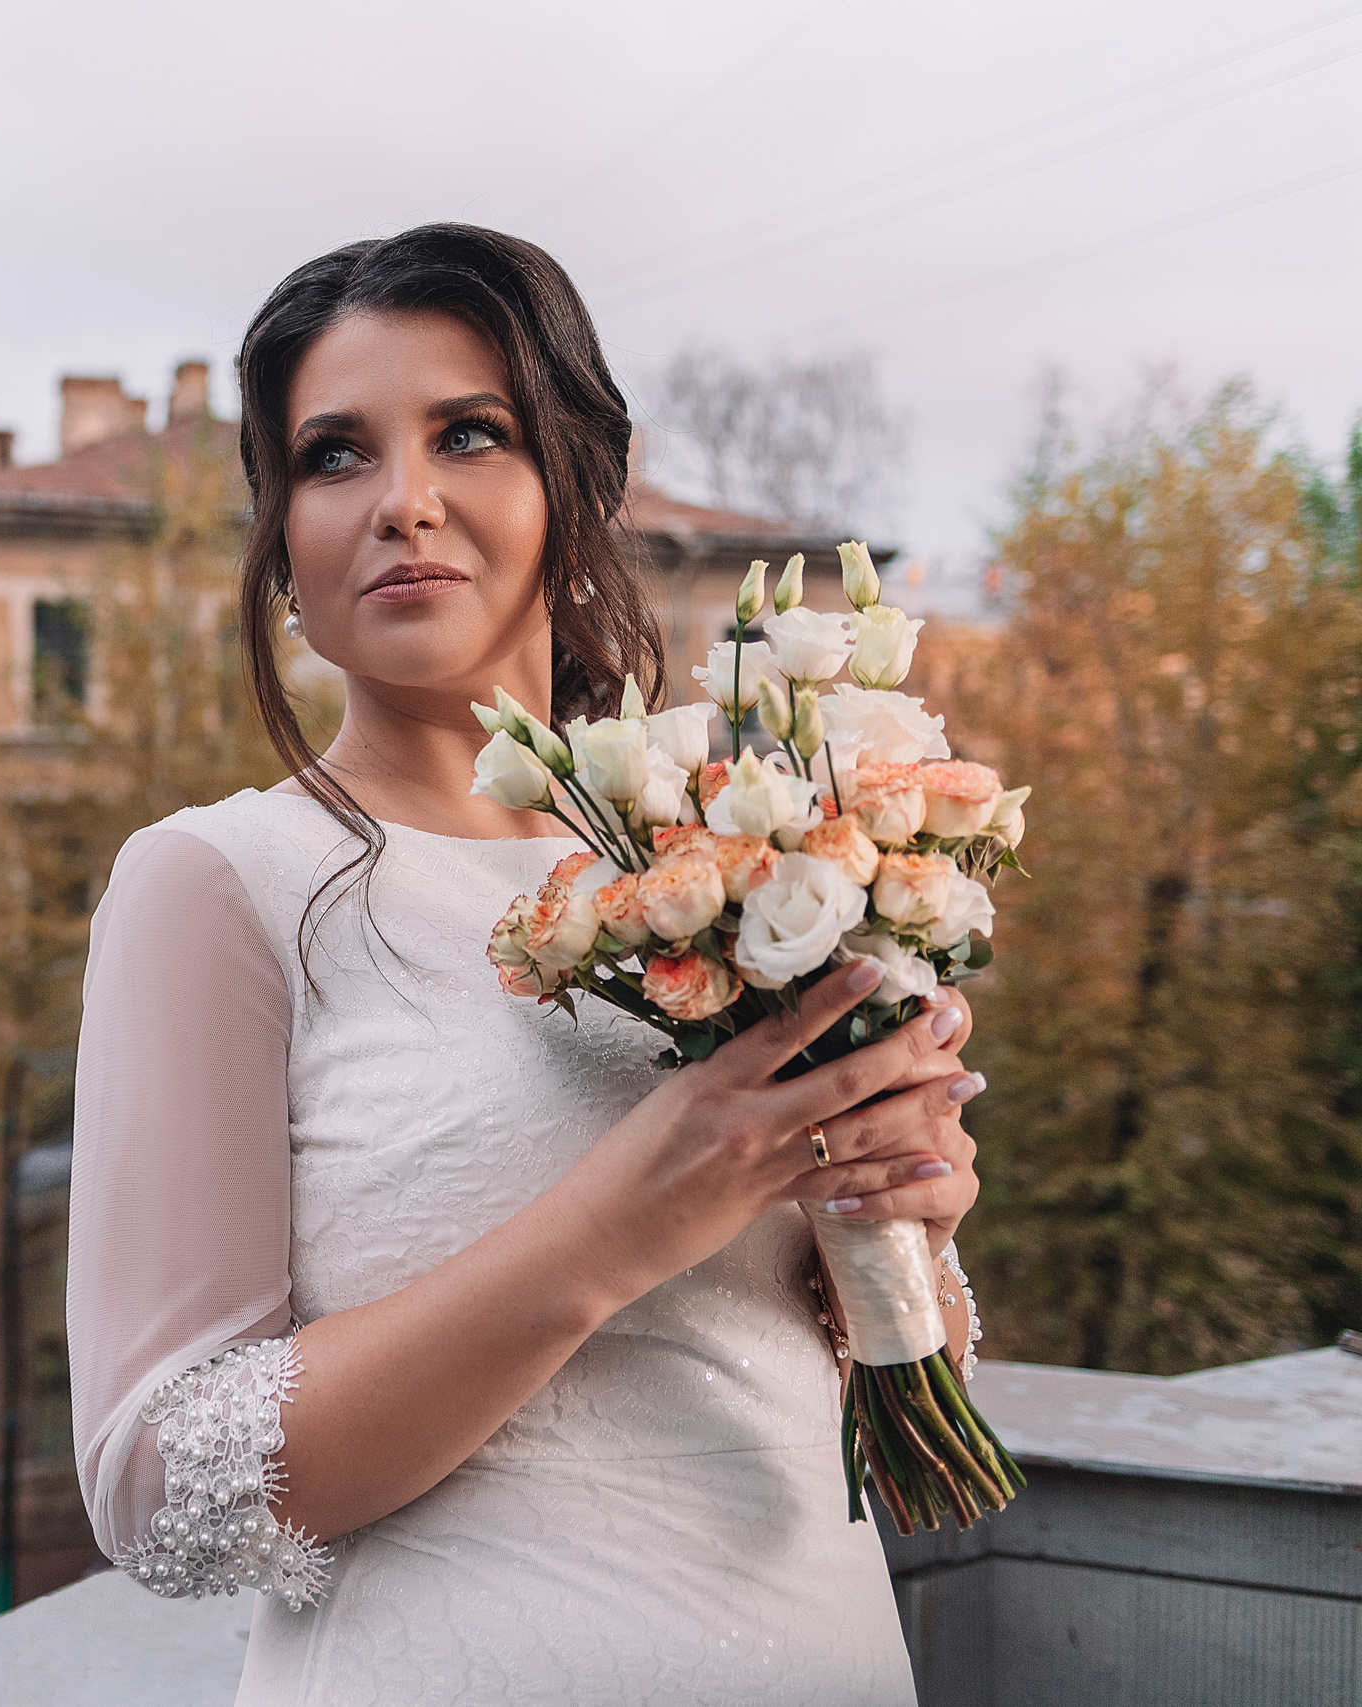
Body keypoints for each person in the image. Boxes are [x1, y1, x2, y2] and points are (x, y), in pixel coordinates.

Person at [66, 225, 986, 1704]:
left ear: (577, 485)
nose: (404, 501)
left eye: (469, 436)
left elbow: (853, 1363)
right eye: (334, 456)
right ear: (283, 534)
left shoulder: (739, 859)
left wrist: (911, 1226)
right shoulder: (219, 883)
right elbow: (158, 1494)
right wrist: (612, 1231)